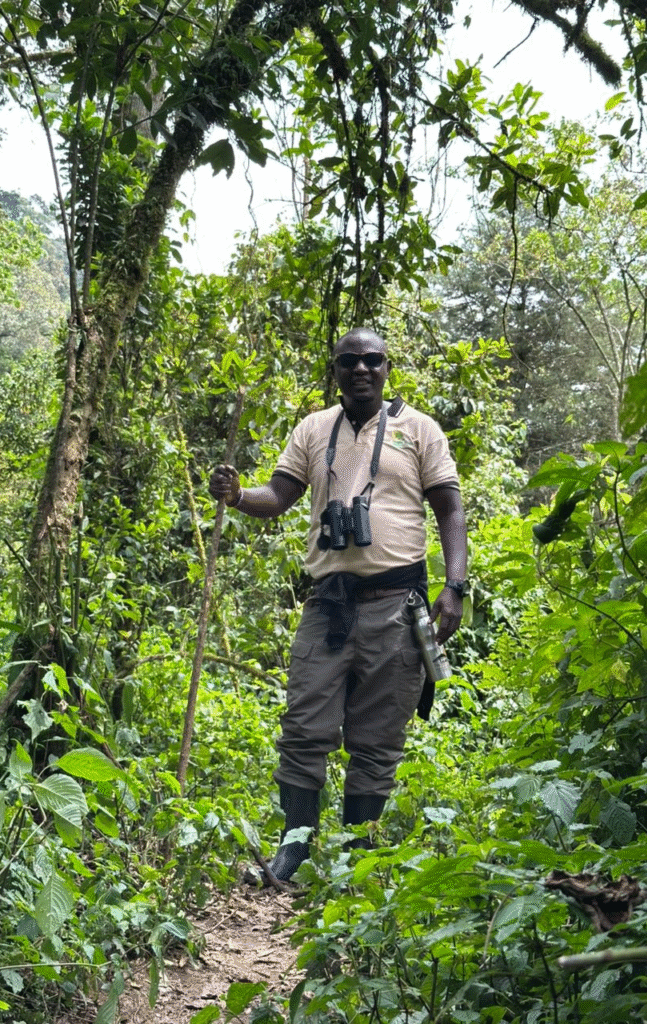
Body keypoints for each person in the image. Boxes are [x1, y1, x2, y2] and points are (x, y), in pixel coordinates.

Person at [209, 327, 468, 882]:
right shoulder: (313, 428)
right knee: (304, 728)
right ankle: (294, 852)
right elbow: (277, 496)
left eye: (371, 360)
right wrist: (236, 497)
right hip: (327, 605)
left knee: (376, 742)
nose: (361, 369)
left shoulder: (418, 429)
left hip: (397, 606)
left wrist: (455, 584)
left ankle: (354, 863)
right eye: (349, 360)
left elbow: (449, 508)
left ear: (386, 366)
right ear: (335, 369)